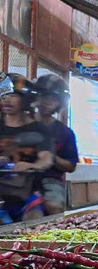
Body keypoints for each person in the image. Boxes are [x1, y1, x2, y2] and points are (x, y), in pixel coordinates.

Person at [0, 73, 54, 221]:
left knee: (33, 221)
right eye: (3, 96)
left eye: (13, 96)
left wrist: (32, 165)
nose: (6, 100)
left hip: (28, 193)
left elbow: (46, 157)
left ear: (26, 99)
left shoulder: (39, 129)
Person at [34, 74, 79, 214]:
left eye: (53, 98)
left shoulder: (65, 133)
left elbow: (71, 166)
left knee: (54, 207)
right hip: (20, 176)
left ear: (59, 102)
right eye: (44, 96)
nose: (47, 101)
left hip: (50, 180)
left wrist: (52, 158)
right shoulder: (23, 123)